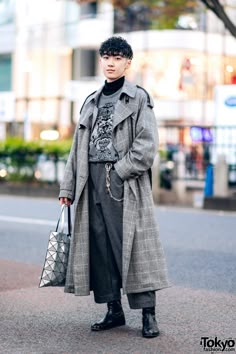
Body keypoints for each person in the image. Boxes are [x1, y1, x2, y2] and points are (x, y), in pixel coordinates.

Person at [59, 36, 169, 338]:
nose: (110, 62)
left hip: (123, 182)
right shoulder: (91, 100)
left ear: (127, 62)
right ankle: (113, 310)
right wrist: (67, 187)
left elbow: (147, 145)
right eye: (106, 56)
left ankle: (148, 314)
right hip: (89, 181)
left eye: (117, 57)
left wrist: (120, 172)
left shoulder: (138, 97)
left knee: (134, 246)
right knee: (100, 246)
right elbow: (76, 148)